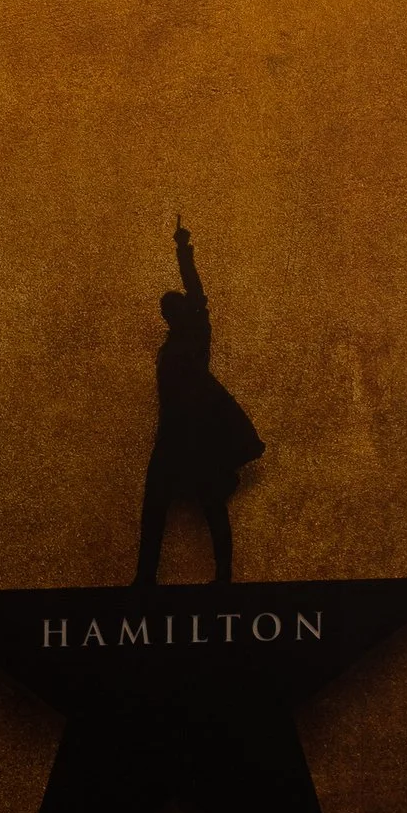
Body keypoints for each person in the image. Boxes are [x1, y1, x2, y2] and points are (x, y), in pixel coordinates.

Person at [134, 220, 264, 590]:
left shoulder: (196, 334)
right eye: (165, 311)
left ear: (182, 312)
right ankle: (145, 578)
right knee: (154, 507)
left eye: (171, 308)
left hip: (199, 438)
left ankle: (223, 576)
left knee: (211, 504)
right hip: (172, 437)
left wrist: (182, 250)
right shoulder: (171, 347)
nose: (167, 314)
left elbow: (196, 290)